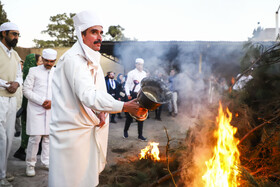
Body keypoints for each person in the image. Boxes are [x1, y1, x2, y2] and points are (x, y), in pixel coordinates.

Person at [49, 10, 145, 187]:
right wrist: (123, 106)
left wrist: (102, 111)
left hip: (88, 131)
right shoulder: (73, 60)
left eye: (101, 32)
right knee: (69, 181)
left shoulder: (93, 61)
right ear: (81, 34)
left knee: (87, 180)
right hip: (70, 135)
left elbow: (99, 92)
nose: (99, 37)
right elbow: (88, 95)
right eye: (94, 32)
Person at [23, 49, 57, 177]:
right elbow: (26, 90)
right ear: (42, 59)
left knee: (48, 137)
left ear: (55, 61)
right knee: (35, 138)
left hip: (51, 109)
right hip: (36, 108)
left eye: (51, 61)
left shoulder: (57, 72)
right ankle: (30, 165)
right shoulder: (33, 71)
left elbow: (60, 92)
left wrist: (52, 102)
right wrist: (42, 101)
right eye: (46, 61)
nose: (49, 63)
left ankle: (46, 162)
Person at [0, 22, 22, 187]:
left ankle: (3, 171)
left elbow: (19, 75)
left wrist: (17, 84)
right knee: (1, 138)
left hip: (11, 99)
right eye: (13, 34)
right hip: (0, 98)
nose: (16, 37)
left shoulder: (15, 55)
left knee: (8, 137)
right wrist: (7, 84)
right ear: (3, 33)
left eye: (17, 34)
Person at [13, 53, 43, 161]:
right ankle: (21, 151)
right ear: (33, 63)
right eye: (39, 61)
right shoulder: (28, 76)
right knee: (29, 132)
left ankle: (35, 150)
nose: (42, 63)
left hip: (33, 107)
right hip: (28, 108)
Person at [123, 58, 147, 141]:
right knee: (130, 116)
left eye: (141, 64)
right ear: (136, 65)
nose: (140, 66)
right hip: (132, 95)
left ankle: (140, 135)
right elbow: (126, 85)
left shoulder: (144, 73)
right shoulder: (131, 73)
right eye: (139, 64)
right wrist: (128, 95)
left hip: (141, 95)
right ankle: (125, 131)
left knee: (141, 115)